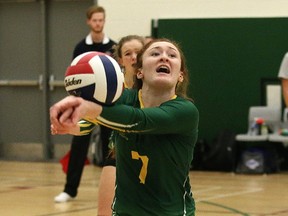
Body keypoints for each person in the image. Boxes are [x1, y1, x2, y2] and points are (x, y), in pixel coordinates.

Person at [50, 38, 199, 215]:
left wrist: (87, 108)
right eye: (155, 53)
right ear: (140, 72)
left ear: (180, 75)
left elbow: (138, 120)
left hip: (171, 213)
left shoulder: (185, 111)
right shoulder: (124, 98)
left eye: (172, 55)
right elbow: (89, 121)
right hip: (124, 212)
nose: (164, 58)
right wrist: (71, 124)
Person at [54, 5, 117, 203]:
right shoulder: (81, 47)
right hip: (85, 106)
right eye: (95, 20)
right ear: (89, 22)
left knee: (112, 147)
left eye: (101, 20)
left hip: (107, 106)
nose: (98, 23)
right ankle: (69, 190)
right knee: (79, 145)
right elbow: (74, 76)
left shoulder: (113, 47)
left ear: (104, 21)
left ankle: (116, 189)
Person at [97, 35, 145, 216]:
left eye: (138, 52)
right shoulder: (113, 87)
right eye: (128, 53)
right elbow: (91, 117)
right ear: (120, 60)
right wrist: (74, 125)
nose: (133, 57)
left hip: (150, 157)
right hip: (118, 152)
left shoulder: (156, 85)